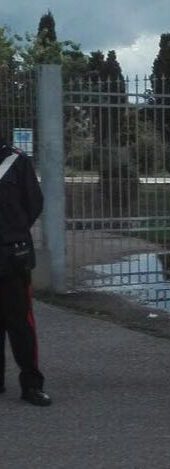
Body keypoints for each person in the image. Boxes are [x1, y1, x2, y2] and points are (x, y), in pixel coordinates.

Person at [0, 134, 50, 406]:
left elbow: (34, 203)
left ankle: (31, 384)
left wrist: (12, 230)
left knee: (20, 323)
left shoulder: (16, 161)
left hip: (11, 255)